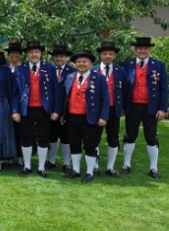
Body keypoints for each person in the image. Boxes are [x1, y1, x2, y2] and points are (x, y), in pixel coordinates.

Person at [13, 41, 62, 178]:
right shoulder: (20, 69)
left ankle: (41, 167)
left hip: (44, 109)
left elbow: (56, 91)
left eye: (36, 52)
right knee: (25, 137)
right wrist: (15, 110)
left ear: (40, 54)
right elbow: (15, 92)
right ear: (27, 54)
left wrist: (56, 110)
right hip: (26, 109)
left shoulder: (50, 68)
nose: (34, 54)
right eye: (31, 52)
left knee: (43, 137)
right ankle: (27, 166)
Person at [121, 37, 168, 179]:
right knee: (130, 135)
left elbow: (164, 88)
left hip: (151, 107)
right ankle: (126, 164)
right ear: (135, 50)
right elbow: (122, 87)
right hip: (132, 106)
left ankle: (153, 168)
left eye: (145, 49)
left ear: (150, 50)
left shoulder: (159, 65)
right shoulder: (127, 64)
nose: (142, 51)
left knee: (151, 137)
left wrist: (162, 108)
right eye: (140, 48)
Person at [61, 50, 109, 183]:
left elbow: (105, 99)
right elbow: (66, 98)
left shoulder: (99, 78)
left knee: (90, 145)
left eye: (84, 62)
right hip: (72, 117)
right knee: (74, 144)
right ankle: (76, 170)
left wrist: (103, 117)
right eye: (78, 62)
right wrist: (63, 114)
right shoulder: (70, 77)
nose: (81, 64)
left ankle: (89, 172)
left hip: (91, 118)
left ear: (90, 63)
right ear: (75, 64)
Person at [95, 40, 126, 176]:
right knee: (94, 138)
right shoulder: (93, 70)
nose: (108, 56)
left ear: (114, 56)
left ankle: (110, 167)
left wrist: (122, 108)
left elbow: (125, 90)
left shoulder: (121, 71)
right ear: (101, 55)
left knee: (113, 138)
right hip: (96, 110)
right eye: (105, 54)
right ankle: (95, 166)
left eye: (110, 54)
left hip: (113, 109)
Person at [46, 45, 75, 171]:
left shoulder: (73, 72)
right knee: (51, 136)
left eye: (62, 56)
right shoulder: (48, 70)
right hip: (50, 110)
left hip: (66, 110)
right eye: (56, 56)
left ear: (66, 58)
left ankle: (66, 162)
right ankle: (51, 161)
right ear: (53, 57)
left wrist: (64, 112)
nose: (59, 59)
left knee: (65, 137)